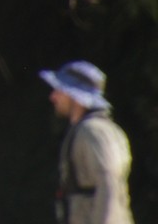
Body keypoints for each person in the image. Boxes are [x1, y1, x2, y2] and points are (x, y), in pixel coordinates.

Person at [41, 61, 134, 224]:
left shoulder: (93, 132)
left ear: (75, 96)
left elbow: (108, 185)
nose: (53, 96)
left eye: (59, 90)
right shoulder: (96, 130)